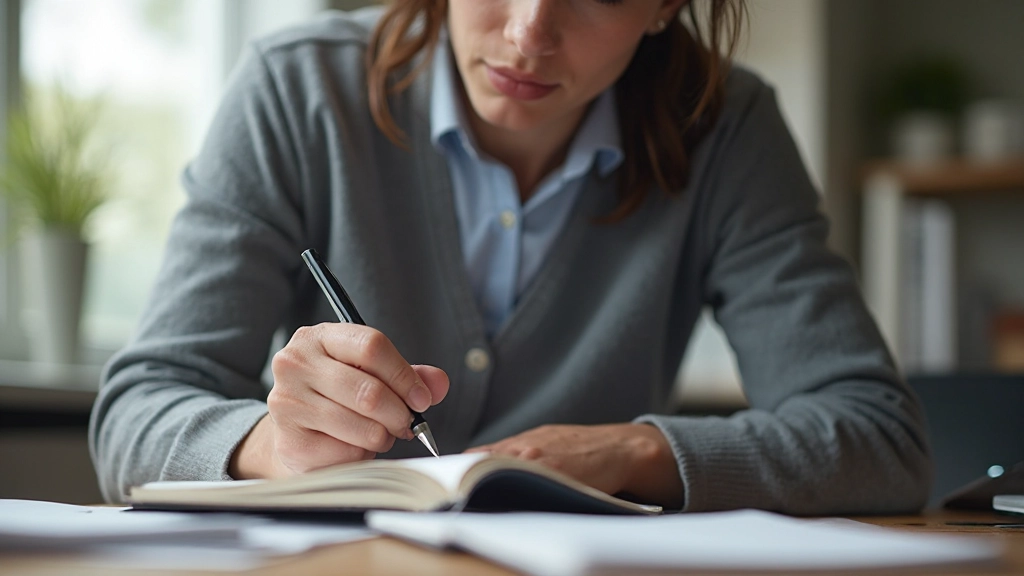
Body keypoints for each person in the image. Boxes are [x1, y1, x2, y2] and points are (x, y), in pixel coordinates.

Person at [90, 0, 931, 513]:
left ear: (667, 4)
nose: (530, 34)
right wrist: (274, 446)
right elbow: (132, 417)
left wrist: (631, 454)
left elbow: (877, 441)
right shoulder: (296, 92)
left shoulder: (726, 128)